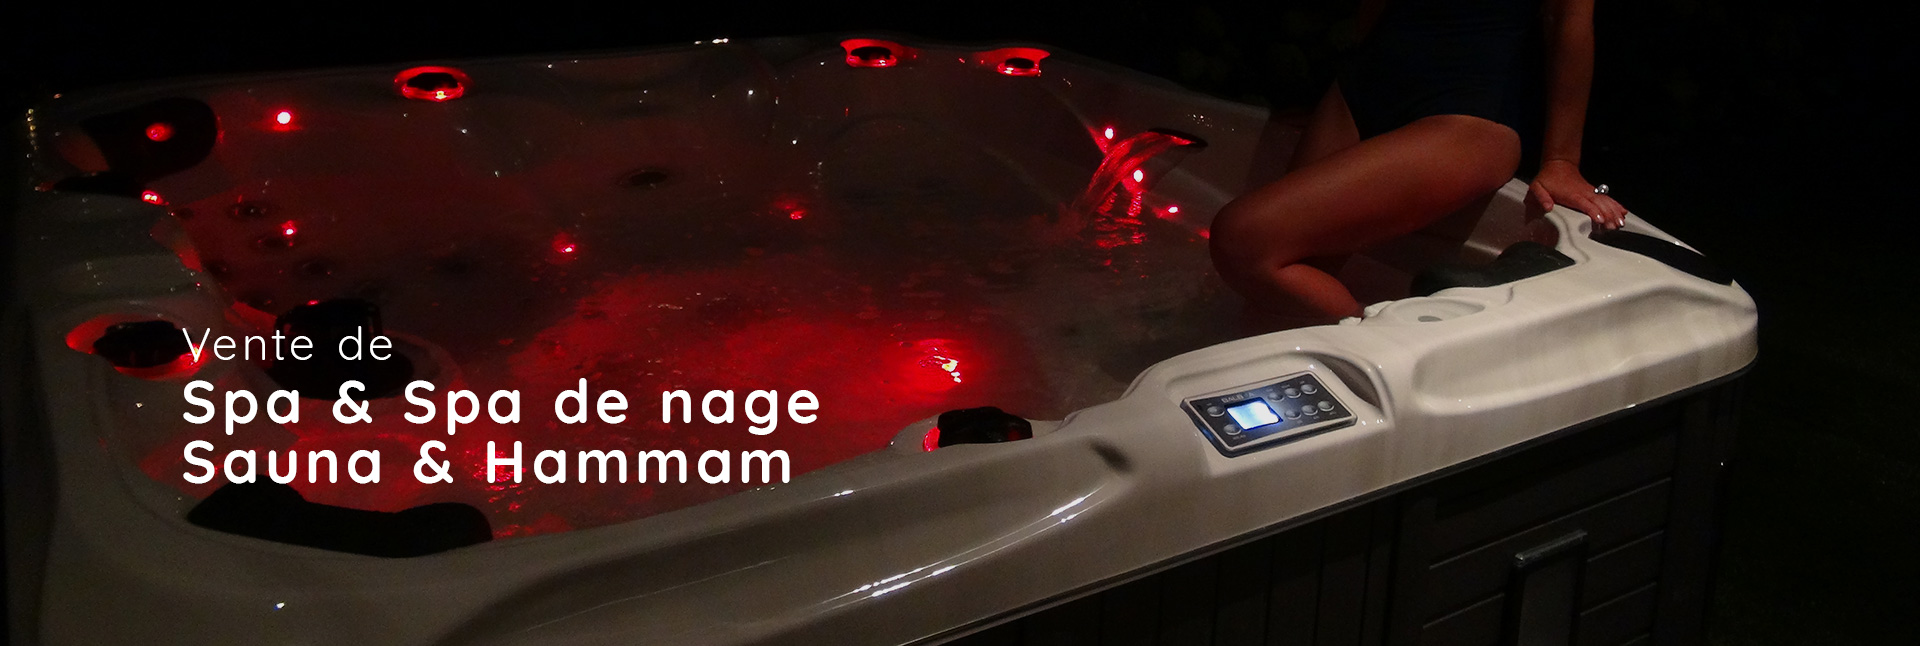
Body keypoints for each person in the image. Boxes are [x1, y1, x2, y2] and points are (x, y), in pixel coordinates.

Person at [1210, 0, 1628, 321]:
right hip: (1363, 84)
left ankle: (1391, 351)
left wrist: (1561, 159)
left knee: (1244, 241)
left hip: (1469, 108)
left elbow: (1567, 18)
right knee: (1268, 312)